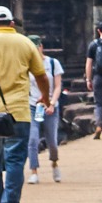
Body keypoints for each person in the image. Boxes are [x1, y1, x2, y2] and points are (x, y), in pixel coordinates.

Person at [0, 6, 45, 203]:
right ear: (11, 23)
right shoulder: (26, 43)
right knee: (15, 160)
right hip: (18, 112)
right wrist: (44, 96)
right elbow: (41, 75)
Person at [30, 44, 65, 180]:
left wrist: (51, 103)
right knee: (33, 139)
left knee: (52, 140)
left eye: (36, 48)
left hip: (50, 105)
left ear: (41, 47)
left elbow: (57, 86)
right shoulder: (27, 64)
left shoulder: (52, 63)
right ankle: (34, 172)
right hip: (33, 105)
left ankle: (55, 163)